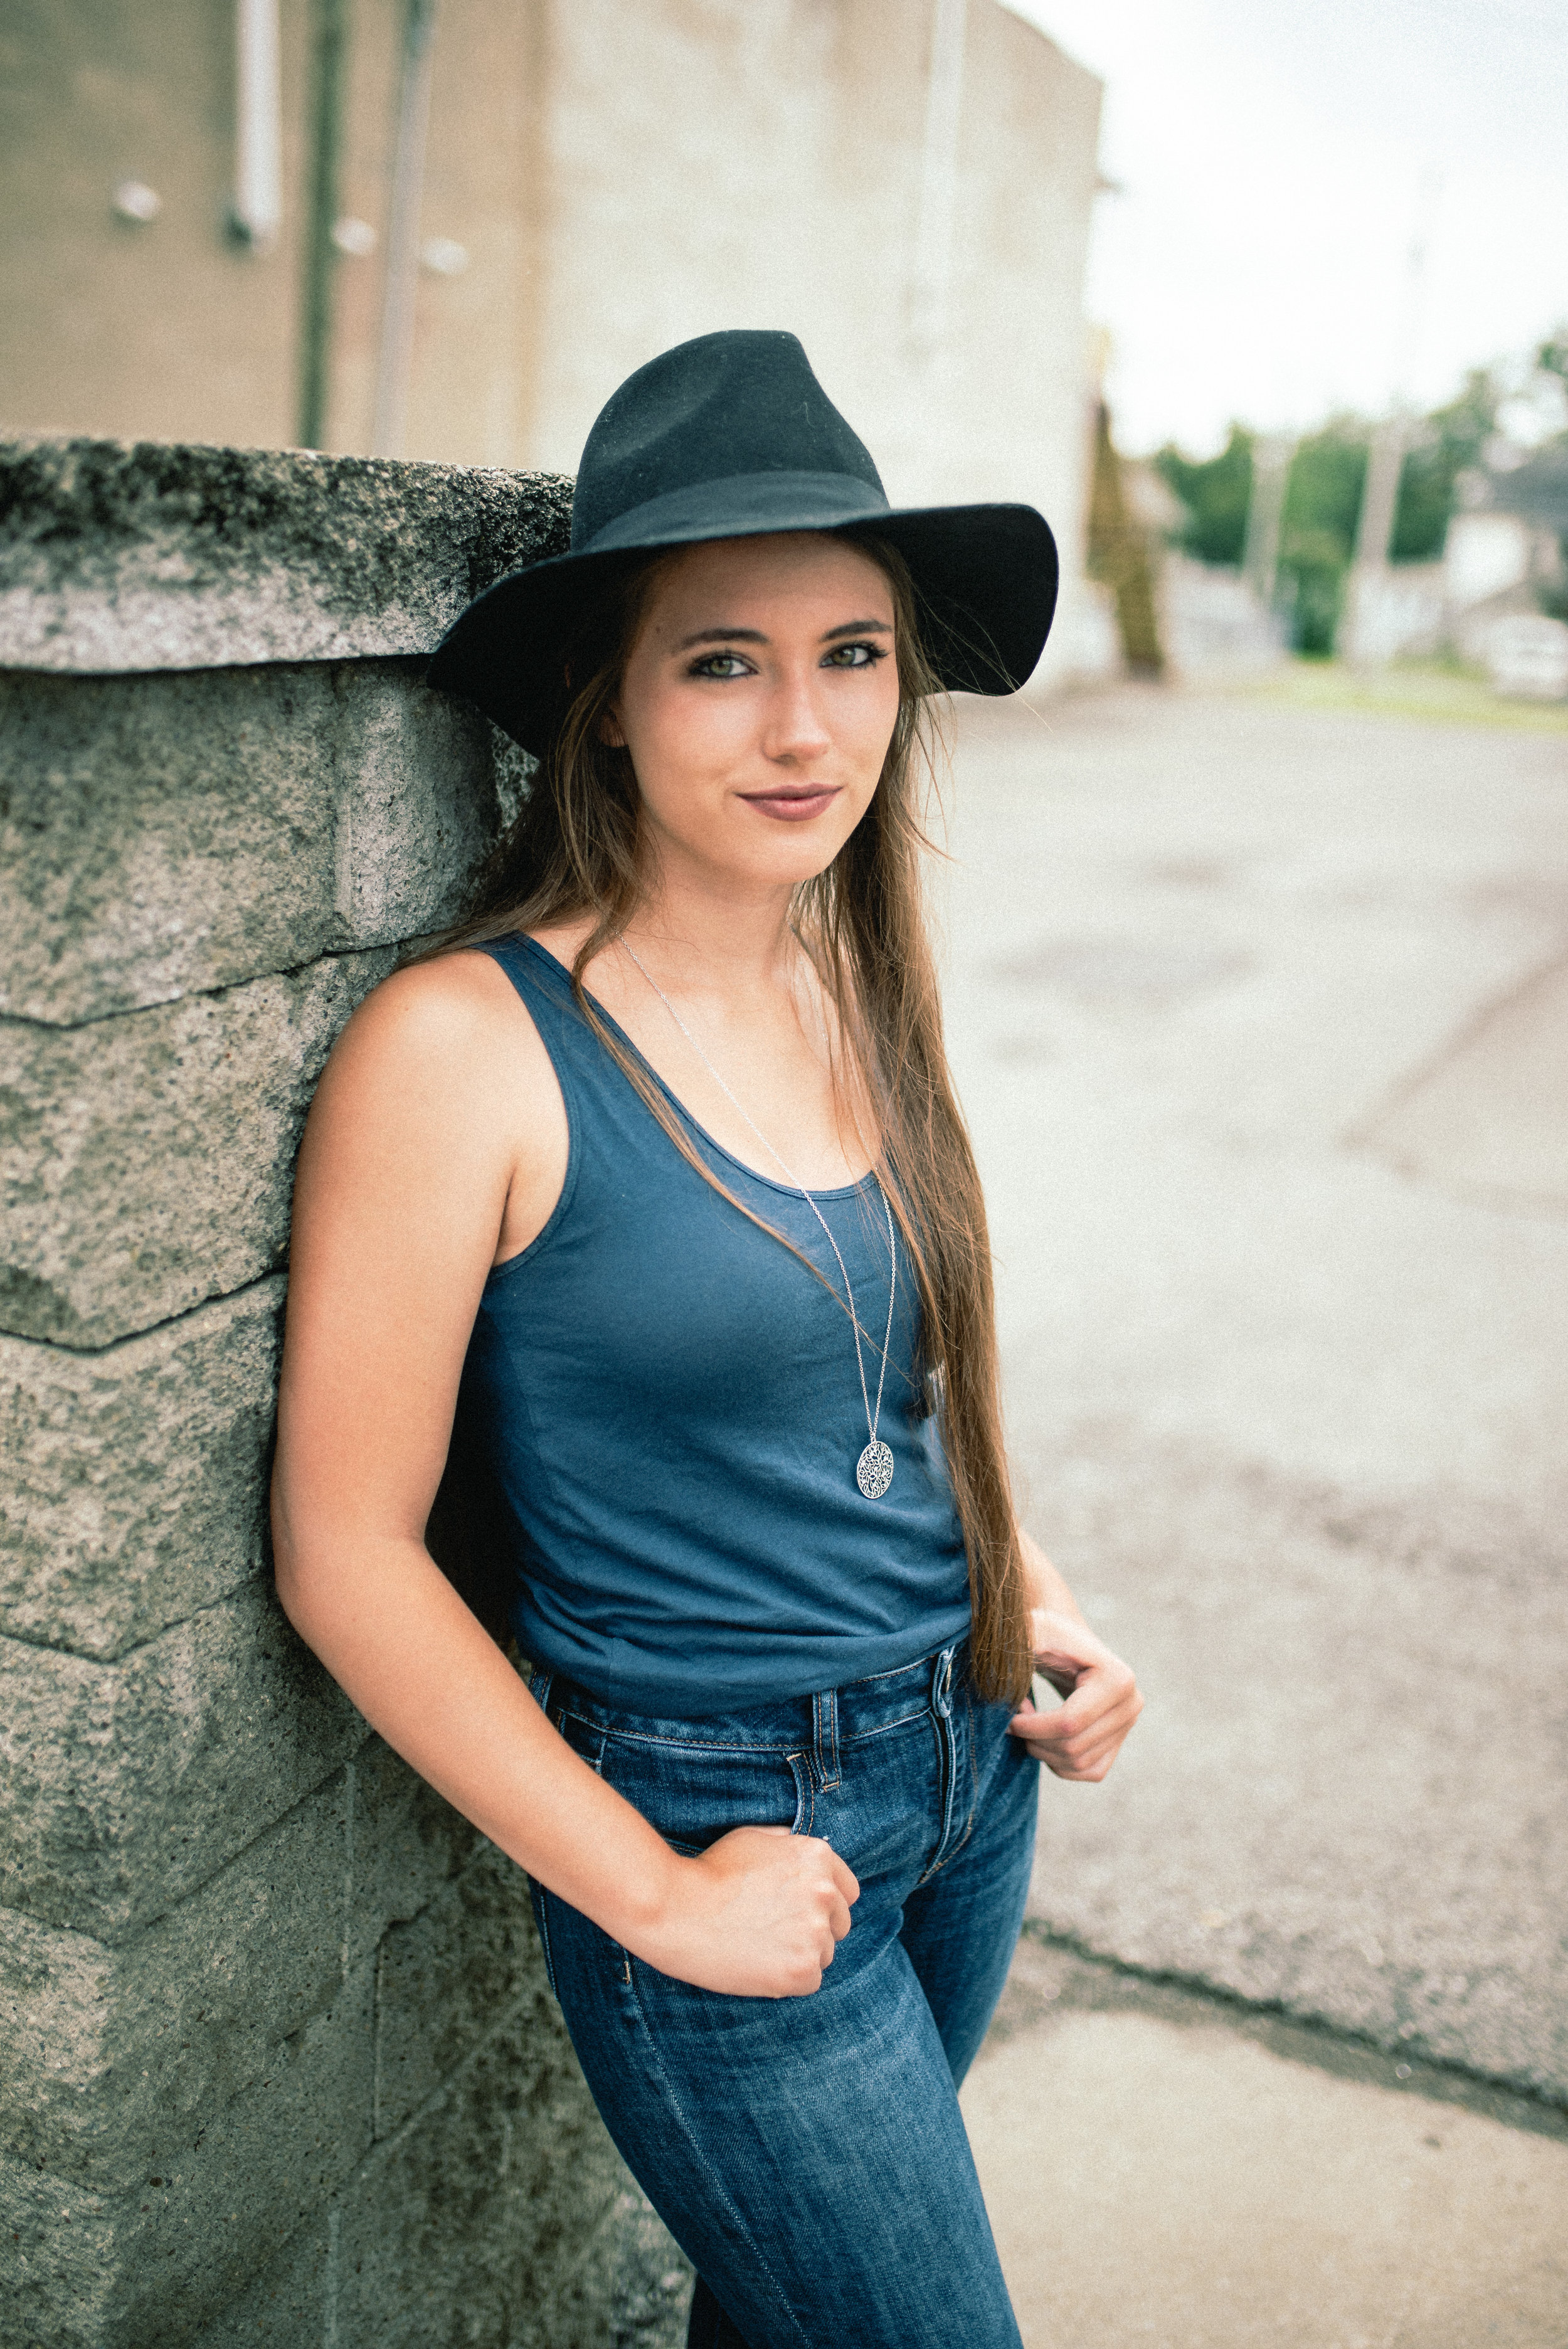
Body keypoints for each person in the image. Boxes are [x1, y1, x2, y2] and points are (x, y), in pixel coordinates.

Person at [272, 330, 1142, 2349]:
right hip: (720, 1811)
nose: (803, 722)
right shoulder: (464, 1048)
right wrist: (651, 1898)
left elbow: (889, 1382)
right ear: (607, 704)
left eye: (852, 652)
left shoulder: (852, 987)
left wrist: (1038, 1591)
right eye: (721, 657)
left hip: (967, 1772)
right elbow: (345, 1550)